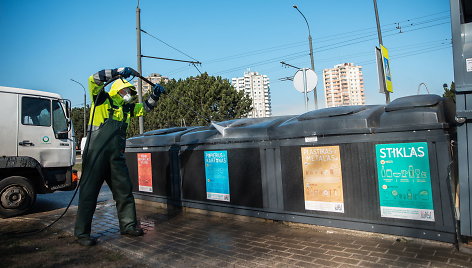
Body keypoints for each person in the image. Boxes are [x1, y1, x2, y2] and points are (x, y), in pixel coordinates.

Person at [75, 67, 164, 246]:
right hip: (96, 156)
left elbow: (145, 108)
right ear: (116, 90)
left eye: (131, 92)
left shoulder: (127, 109)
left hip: (116, 157)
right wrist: (118, 71)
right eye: (126, 91)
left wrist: (155, 94)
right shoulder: (101, 100)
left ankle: (128, 225)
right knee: (89, 194)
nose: (129, 94)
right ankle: (82, 233)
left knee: (124, 192)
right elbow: (92, 79)